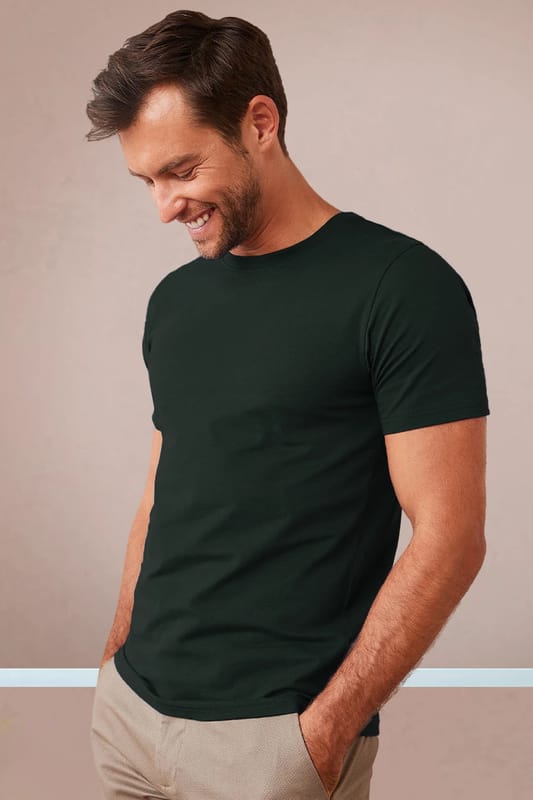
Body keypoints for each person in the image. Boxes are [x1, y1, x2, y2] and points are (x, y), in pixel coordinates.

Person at [85, 10, 490, 800]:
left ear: (260, 123)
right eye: (147, 181)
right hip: (132, 721)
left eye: (180, 170)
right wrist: (115, 659)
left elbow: (451, 538)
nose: (164, 207)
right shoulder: (175, 301)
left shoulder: (401, 289)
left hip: (270, 742)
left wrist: (325, 734)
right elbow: (164, 491)